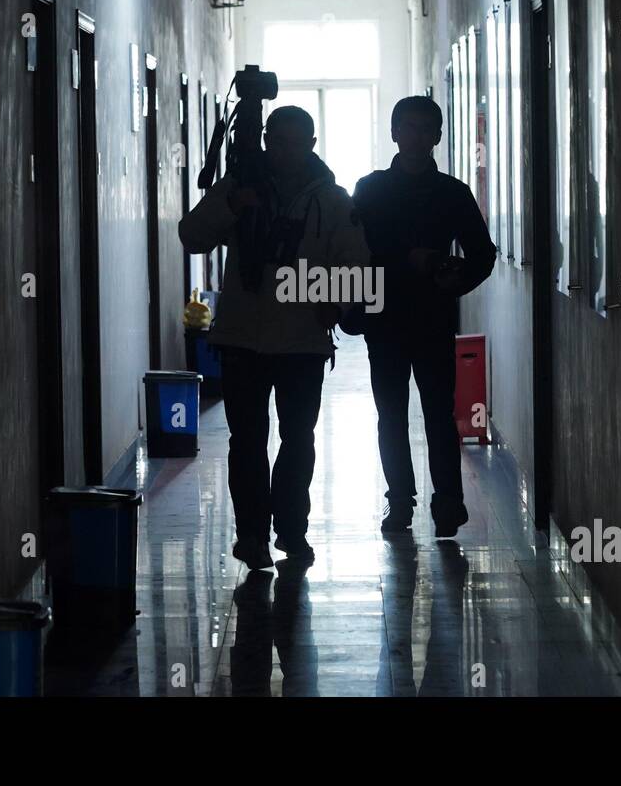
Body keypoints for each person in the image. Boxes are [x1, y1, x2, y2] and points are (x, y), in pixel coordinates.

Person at [179, 106, 370, 570]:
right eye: (274, 140)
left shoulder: (332, 199)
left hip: (302, 341)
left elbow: (356, 267)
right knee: (246, 442)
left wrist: (329, 302)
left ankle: (291, 531)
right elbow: (192, 235)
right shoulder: (242, 186)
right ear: (265, 140)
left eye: (293, 140)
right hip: (242, 336)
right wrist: (233, 204)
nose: (282, 150)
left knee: (297, 440)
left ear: (311, 143)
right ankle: (251, 537)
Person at [350, 96, 495, 537]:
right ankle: (400, 502)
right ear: (394, 133)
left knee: (438, 412)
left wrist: (457, 281)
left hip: (432, 316)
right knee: (390, 413)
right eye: (406, 128)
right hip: (385, 318)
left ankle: (448, 501)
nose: (414, 137)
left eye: (423, 129)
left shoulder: (453, 193)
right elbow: (354, 252)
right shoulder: (369, 189)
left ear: (436, 136)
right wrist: (403, 262)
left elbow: (483, 254)